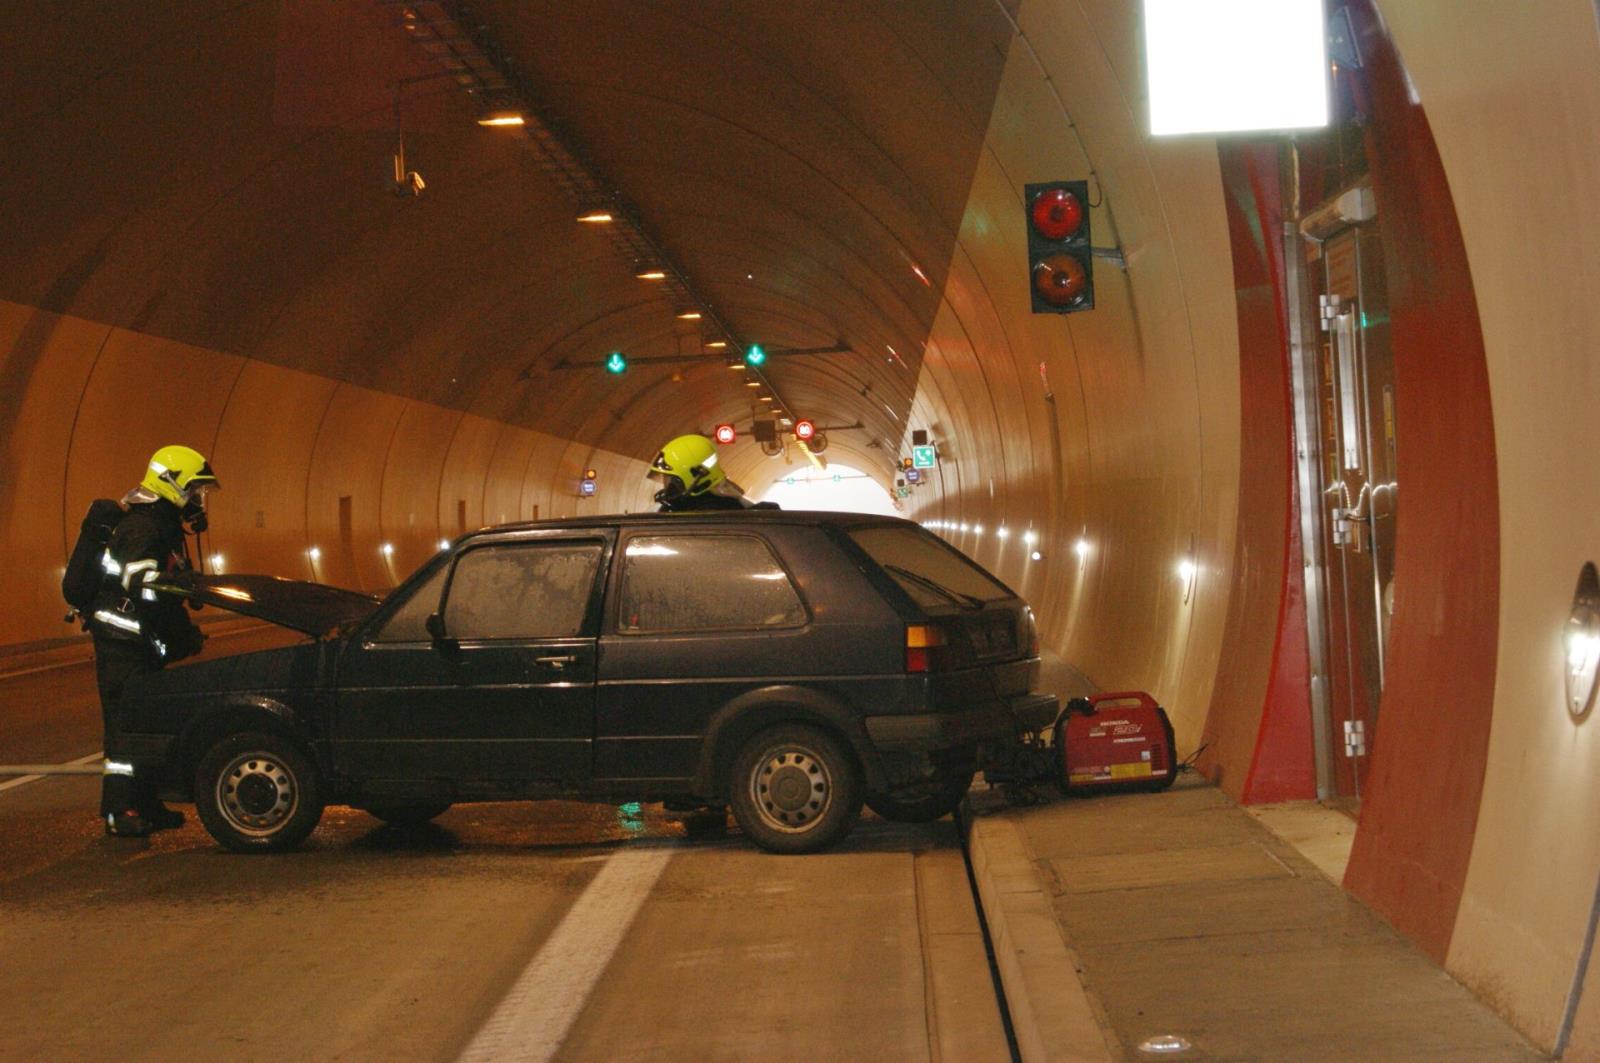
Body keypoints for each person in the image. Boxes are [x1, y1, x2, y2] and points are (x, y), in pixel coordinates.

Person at [90, 445, 218, 837]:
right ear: (171, 484)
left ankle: (147, 804)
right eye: (195, 490)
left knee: (147, 723)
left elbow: (165, 590)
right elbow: (143, 586)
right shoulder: (141, 528)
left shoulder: (164, 527)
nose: (198, 500)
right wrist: (179, 588)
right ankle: (120, 811)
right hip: (121, 643)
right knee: (124, 727)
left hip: (141, 642)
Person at [649, 433, 759, 512]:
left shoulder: (688, 514)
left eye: (668, 478)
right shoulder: (737, 507)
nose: (665, 485)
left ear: (693, 477)